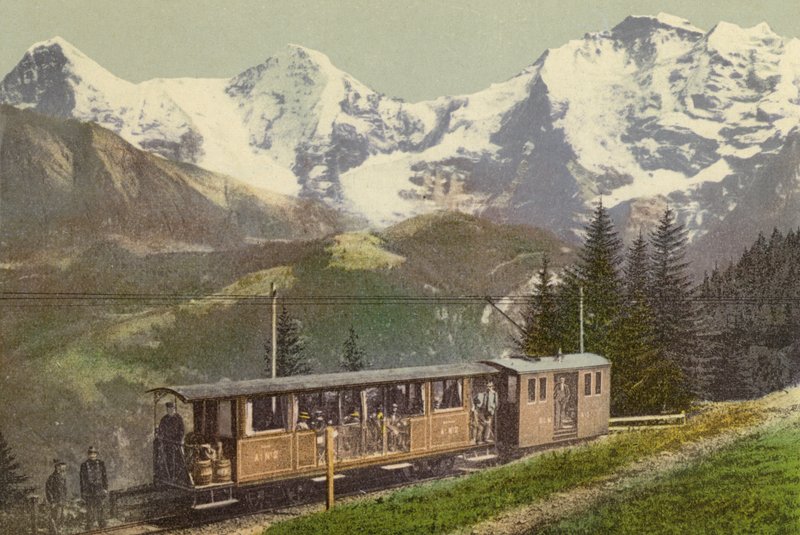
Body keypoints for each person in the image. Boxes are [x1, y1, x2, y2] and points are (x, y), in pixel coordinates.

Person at [155, 402, 186, 484]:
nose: (171, 410)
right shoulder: (164, 419)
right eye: (169, 409)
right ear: (167, 409)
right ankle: (169, 478)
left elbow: (182, 431)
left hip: (176, 444)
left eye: (172, 409)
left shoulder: (178, 418)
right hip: (167, 444)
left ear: (174, 409)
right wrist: (161, 439)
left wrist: (177, 442)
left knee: (179, 461)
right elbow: (161, 430)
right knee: (168, 460)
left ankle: (179, 478)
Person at [79, 446, 108, 530]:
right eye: (90, 453)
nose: (92, 455)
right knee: (89, 508)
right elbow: (82, 480)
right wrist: (83, 492)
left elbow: (104, 477)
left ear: (96, 454)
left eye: (94, 453)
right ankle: (90, 525)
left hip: (99, 489)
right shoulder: (84, 465)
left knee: (100, 507)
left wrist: (105, 488)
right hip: (89, 491)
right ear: (88, 455)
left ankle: (102, 524)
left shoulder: (101, 463)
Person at [45, 460, 67, 535]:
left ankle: (59, 531)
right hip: (55, 501)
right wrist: (52, 501)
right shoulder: (51, 477)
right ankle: (53, 532)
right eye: (59, 466)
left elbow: (64, 489)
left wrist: (64, 499)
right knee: (55, 517)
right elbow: (48, 490)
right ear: (56, 467)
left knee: (62, 516)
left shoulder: (62, 477)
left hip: (62, 501)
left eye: (61, 466)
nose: (61, 467)